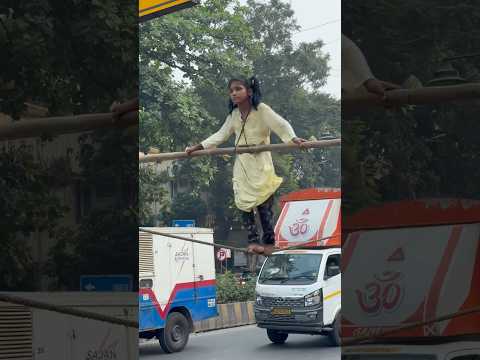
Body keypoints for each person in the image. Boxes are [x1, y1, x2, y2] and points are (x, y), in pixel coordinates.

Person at [185, 76, 306, 256]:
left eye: (238, 89)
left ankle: (269, 243)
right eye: (231, 90)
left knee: (264, 206)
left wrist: (293, 138)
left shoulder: (262, 110)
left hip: (261, 164)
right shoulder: (234, 115)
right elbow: (221, 134)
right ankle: (253, 242)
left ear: (249, 91)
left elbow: (280, 125)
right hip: (242, 164)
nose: (234, 93)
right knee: (243, 204)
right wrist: (198, 147)